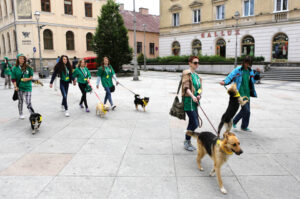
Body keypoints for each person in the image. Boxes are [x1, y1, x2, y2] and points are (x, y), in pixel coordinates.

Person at [220, 56, 260, 132]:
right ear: (243, 62)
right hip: (239, 93)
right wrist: (224, 81)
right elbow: (230, 76)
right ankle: (234, 121)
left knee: (247, 111)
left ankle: (244, 126)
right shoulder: (238, 70)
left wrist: (257, 73)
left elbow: (254, 80)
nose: (246, 64)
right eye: (246, 62)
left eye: (248, 63)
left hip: (247, 93)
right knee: (246, 110)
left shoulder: (250, 71)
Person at [181, 56, 202, 151]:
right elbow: (186, 87)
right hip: (188, 101)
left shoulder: (197, 76)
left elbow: (200, 88)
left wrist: (198, 95)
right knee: (195, 122)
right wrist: (193, 96)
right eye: (195, 62)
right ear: (190, 63)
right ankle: (186, 141)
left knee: (192, 122)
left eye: (198, 63)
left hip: (194, 102)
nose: (197, 64)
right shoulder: (186, 73)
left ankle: (187, 141)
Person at [11, 54, 34, 119]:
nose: (22, 60)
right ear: (18, 59)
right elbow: (13, 79)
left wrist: (28, 79)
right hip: (19, 87)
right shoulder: (15, 68)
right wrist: (15, 87)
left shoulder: (28, 67)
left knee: (28, 101)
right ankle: (20, 113)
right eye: (20, 58)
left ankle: (32, 114)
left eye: (23, 58)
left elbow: (31, 76)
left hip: (27, 87)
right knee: (20, 101)